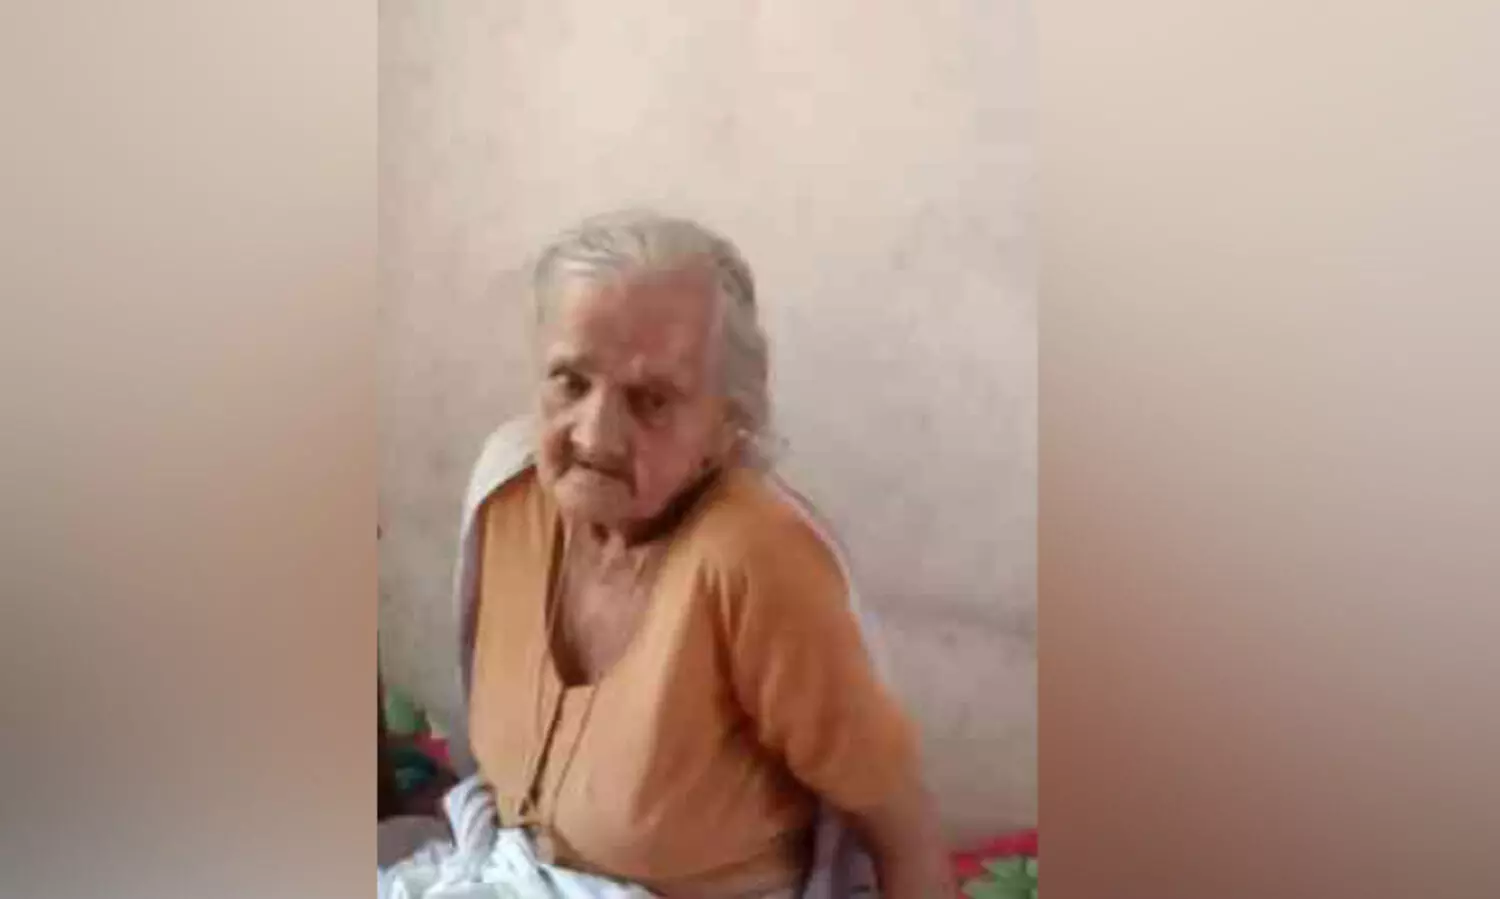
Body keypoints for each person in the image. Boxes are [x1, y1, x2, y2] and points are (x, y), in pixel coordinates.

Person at [462, 211, 950, 898]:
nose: (595, 435)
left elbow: (904, 833)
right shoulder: (507, 497)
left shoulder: (754, 561)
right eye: (570, 381)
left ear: (727, 424)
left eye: (652, 400)